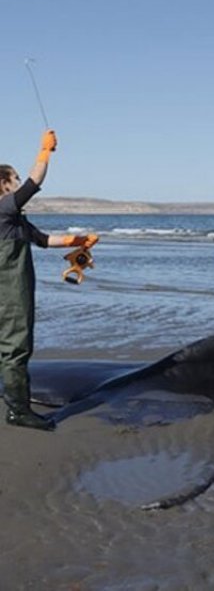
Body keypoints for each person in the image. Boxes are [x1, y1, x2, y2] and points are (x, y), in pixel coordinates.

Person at [1, 130, 99, 430]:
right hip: (9, 292)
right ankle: (18, 410)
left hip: (15, 289)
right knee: (16, 345)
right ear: (3, 184)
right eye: (13, 179)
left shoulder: (15, 219)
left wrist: (78, 240)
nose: (18, 183)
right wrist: (45, 152)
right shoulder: (3, 208)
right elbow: (35, 182)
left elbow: (43, 240)